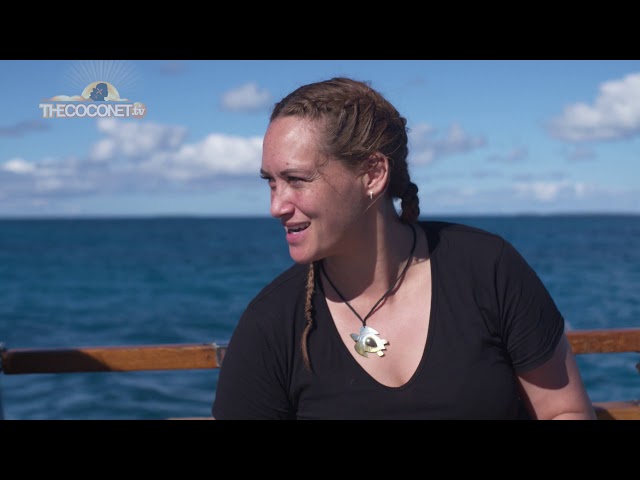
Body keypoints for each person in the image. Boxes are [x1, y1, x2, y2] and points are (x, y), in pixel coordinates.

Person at [212, 77, 596, 420]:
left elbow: (563, 410)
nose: (276, 205)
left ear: (373, 174)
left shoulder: (487, 269)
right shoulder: (273, 322)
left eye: (296, 179)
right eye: (271, 183)